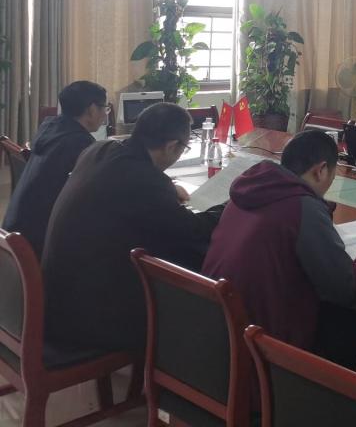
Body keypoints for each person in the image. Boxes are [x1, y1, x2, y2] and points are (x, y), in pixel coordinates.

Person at [42, 102, 223, 355]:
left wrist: (167, 189)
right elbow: (193, 230)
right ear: (172, 146)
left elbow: (123, 186)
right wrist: (229, 207)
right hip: (91, 319)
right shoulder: (146, 180)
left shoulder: (100, 149)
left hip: (57, 300)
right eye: (183, 148)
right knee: (197, 278)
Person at [202, 129, 356, 354]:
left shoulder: (247, 191)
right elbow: (346, 288)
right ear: (321, 170)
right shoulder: (302, 207)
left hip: (216, 330)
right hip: (265, 348)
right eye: (332, 178)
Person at [2, 81, 108, 255]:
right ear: (91, 109)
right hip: (39, 243)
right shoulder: (79, 143)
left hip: (16, 232)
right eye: (104, 108)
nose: (105, 114)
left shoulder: (51, 128)